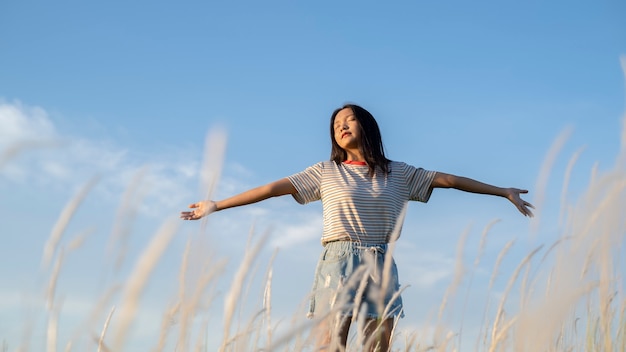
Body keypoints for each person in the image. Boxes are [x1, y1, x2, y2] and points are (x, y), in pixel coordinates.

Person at [181, 104, 534, 352]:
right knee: (328, 345)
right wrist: (217, 205)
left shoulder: (401, 173)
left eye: (349, 120)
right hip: (339, 259)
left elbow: (451, 180)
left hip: (381, 261)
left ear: (368, 126)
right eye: (337, 125)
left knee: (378, 347)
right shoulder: (324, 172)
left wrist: (502, 191)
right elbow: (272, 189)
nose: (342, 126)